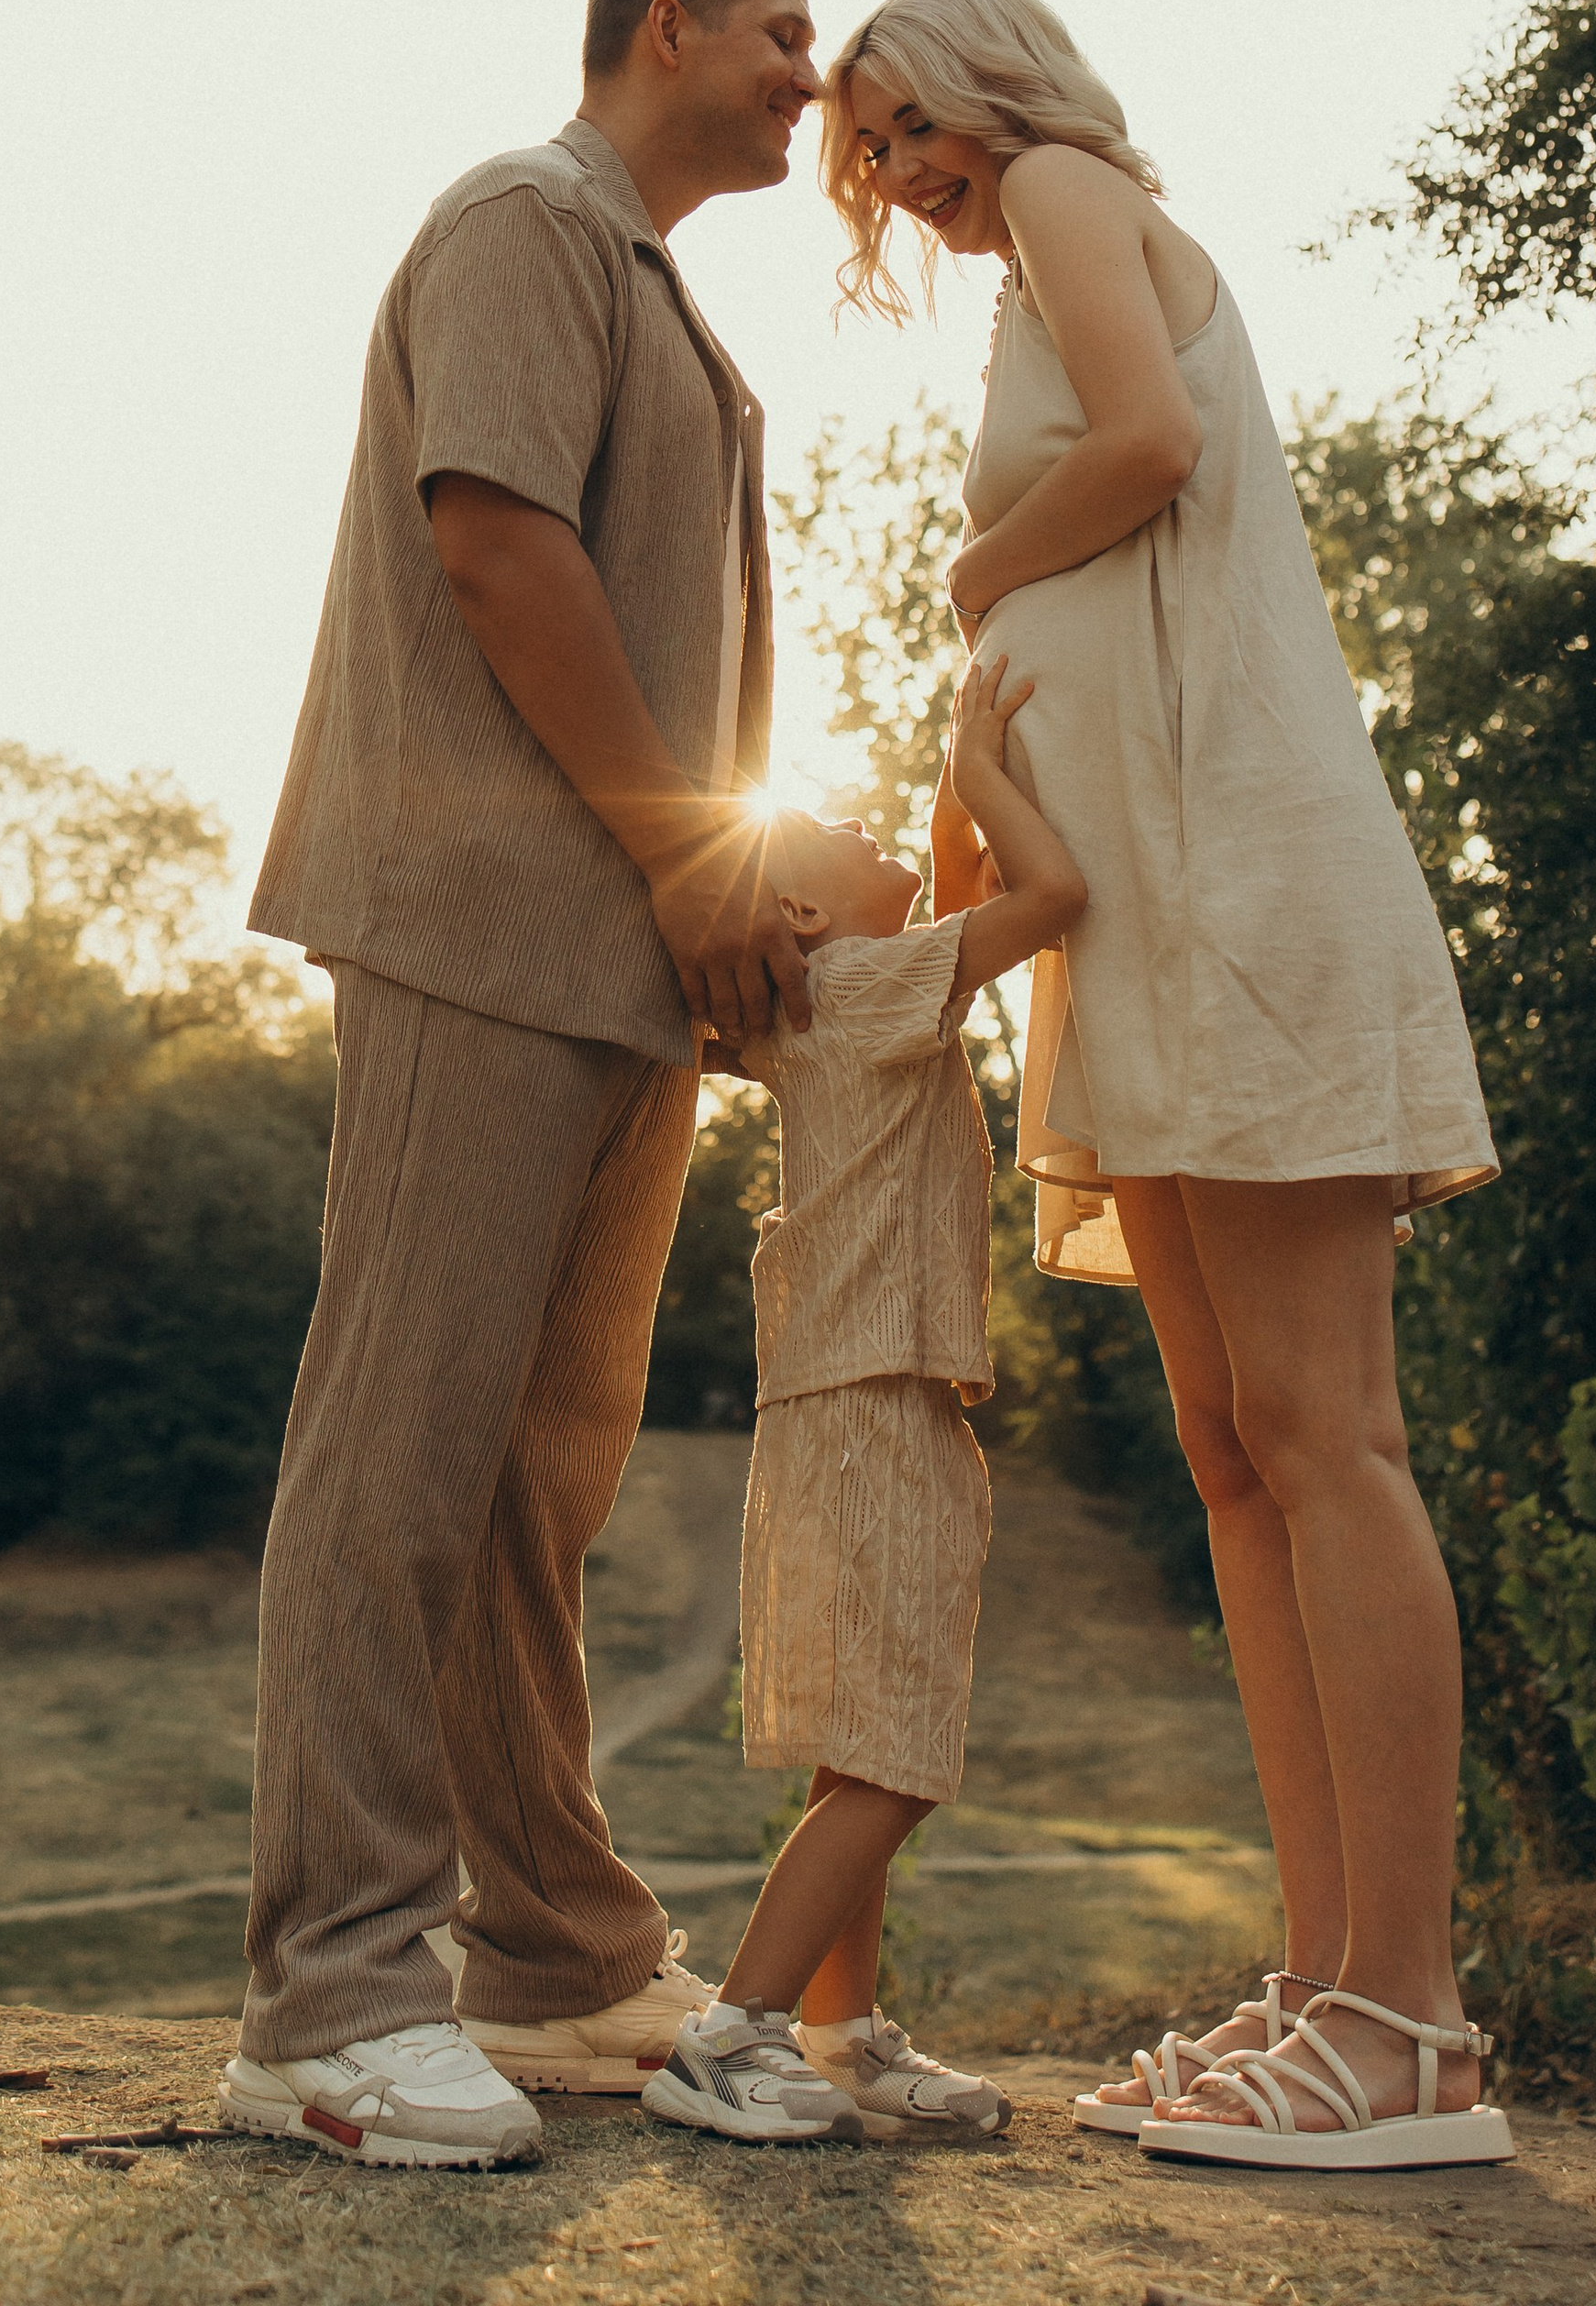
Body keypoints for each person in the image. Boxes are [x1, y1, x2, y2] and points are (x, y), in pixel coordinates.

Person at [819, 0, 1513, 2175]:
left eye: (913, 122)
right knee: (1230, 1452)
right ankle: (1326, 1982)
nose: (901, 171)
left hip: (1241, 896)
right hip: (1146, 922)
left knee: (1323, 1434)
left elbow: (1149, 448)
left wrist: (968, 572)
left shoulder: (1064, 190)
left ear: (1002, 88)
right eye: (868, 150)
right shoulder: (1028, 260)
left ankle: (1408, 2020)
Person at [219, 0, 824, 2172]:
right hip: (482, 932)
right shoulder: (523, 222)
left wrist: (718, 892)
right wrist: (683, 847)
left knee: (525, 1484)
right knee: (393, 1455)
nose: (807, 75)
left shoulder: (648, 284)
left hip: (618, 966)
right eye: (780, 33)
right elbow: (490, 541)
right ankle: (326, 2003)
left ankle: (555, 1956)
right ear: (662, 25)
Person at [640, 654, 1085, 2149]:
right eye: (831, 827)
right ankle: (734, 2035)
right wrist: (987, 768)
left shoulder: (853, 995)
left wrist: (963, 774)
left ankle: (839, 2031)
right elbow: (1051, 894)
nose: (865, 821)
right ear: (805, 915)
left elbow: (956, 875)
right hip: (873, 1400)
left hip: (848, 1401)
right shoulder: (872, 985)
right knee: (896, 1759)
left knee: (866, 1740)